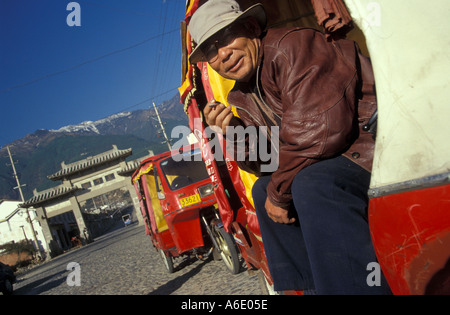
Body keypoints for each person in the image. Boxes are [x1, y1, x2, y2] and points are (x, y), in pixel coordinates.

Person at [189, 0, 391, 294]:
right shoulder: (241, 96)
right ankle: (305, 289)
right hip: (332, 156)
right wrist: (232, 131)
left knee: (310, 183)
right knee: (263, 190)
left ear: (251, 27)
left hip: (369, 147)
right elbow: (267, 165)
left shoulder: (293, 46)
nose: (222, 54)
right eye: (210, 51)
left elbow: (320, 132)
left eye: (226, 38)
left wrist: (279, 195)